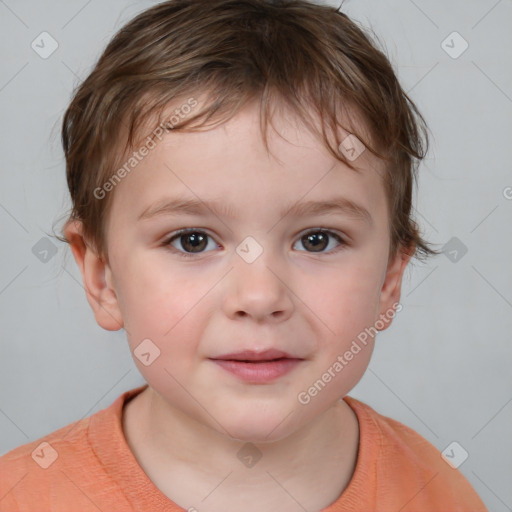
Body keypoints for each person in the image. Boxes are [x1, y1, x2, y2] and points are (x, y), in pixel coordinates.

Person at [0, 1, 488, 510]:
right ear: (102, 278)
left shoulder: (438, 493)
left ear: (390, 278)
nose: (259, 297)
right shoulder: (22, 496)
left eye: (317, 239)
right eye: (192, 240)